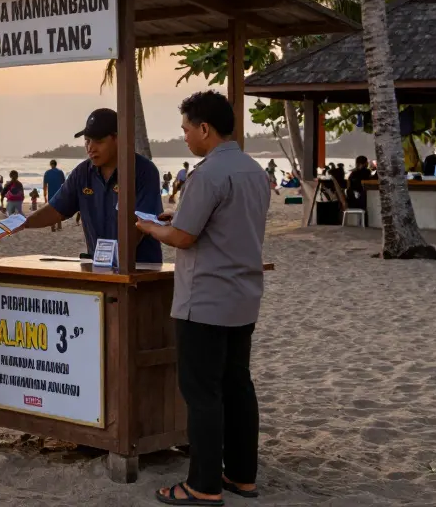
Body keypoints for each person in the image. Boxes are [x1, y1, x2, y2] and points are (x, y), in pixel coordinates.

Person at [133, 91, 269, 506]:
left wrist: (149, 227)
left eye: (187, 130)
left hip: (205, 299)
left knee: (202, 393)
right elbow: (226, 222)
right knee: (238, 387)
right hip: (243, 296)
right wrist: (179, 219)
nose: (186, 137)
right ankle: (242, 476)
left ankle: (203, 485)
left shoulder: (207, 174)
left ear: (205, 129)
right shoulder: (254, 170)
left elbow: (184, 237)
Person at [21, 108, 164, 264]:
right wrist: (22, 223)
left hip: (141, 268)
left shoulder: (143, 171)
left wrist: (117, 259)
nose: (91, 148)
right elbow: (56, 210)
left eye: (98, 141)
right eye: (87, 141)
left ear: (117, 138)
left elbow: (142, 224)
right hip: (99, 267)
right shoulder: (82, 173)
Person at [42, 160, 66, 232]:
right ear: (56, 164)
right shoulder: (60, 172)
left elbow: (45, 185)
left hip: (51, 194)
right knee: (58, 210)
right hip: (59, 193)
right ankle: (59, 226)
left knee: (51, 211)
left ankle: (53, 227)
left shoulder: (47, 173)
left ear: (50, 164)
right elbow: (63, 183)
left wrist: (44, 194)